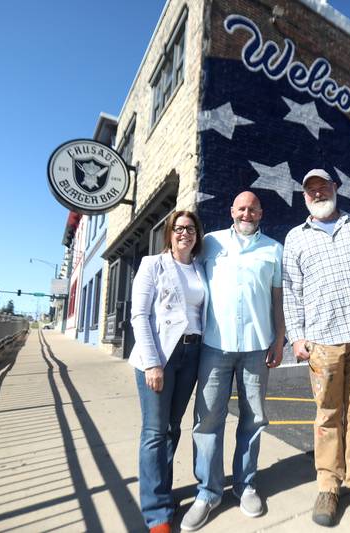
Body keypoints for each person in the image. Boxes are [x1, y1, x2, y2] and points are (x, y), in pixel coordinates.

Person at [282, 169, 350, 528]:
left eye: (322, 187)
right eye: (310, 190)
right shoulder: (296, 238)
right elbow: (292, 292)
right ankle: (328, 486)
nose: (317, 193)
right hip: (322, 342)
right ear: (304, 197)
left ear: (336, 189)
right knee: (328, 415)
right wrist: (297, 336)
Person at [182, 191, 285, 530]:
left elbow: (277, 299)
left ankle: (246, 484)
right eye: (241, 207)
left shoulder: (274, 249)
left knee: (253, 419)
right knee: (208, 419)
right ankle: (208, 491)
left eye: (252, 208)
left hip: (257, 346)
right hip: (215, 344)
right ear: (231, 211)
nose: (246, 213)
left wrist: (280, 337)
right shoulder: (210, 243)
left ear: (260, 213)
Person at [129, 210, 209, 533]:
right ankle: (156, 513)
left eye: (190, 228)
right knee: (154, 432)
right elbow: (139, 315)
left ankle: (162, 493)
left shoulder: (200, 267)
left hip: (191, 354)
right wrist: (152, 362)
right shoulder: (153, 264)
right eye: (178, 228)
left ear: (197, 234)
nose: (184, 233)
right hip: (161, 354)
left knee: (173, 428)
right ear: (169, 234)